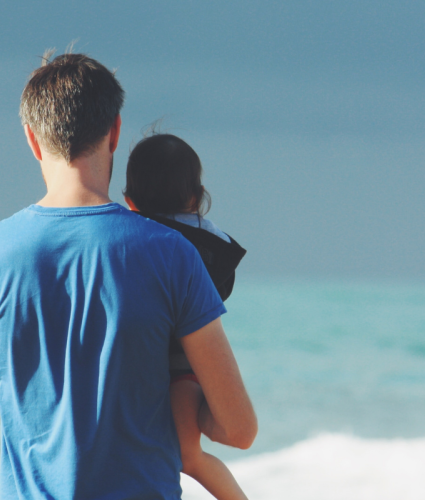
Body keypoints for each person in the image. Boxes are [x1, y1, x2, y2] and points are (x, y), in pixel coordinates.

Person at [0, 51, 257, 500]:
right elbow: (239, 429)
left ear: (32, 139)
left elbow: (22, 364)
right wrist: (191, 410)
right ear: (114, 132)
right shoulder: (172, 253)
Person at [124, 133, 248, 500]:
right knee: (188, 457)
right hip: (189, 366)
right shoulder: (208, 241)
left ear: (130, 200)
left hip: (155, 363)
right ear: (197, 196)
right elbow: (222, 289)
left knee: (184, 455)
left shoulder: (130, 237)